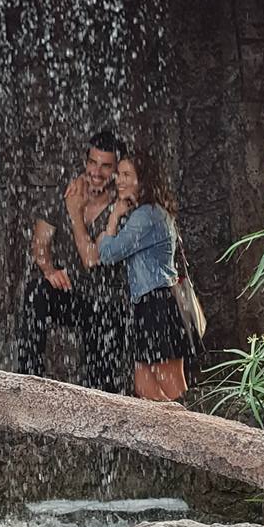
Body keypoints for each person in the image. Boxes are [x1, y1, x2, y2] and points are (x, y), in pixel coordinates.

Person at [66, 147, 195, 401]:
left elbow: (108, 254)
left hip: (158, 305)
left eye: (127, 175)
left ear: (142, 180)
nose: (119, 180)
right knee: (144, 386)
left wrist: (112, 219)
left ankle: (196, 425)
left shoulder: (146, 215)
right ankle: (170, 426)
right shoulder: (146, 212)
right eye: (119, 174)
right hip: (147, 305)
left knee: (173, 387)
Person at [17, 131, 129, 393]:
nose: (96, 172)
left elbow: (92, 260)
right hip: (72, 293)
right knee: (36, 292)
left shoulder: (122, 207)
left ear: (117, 170)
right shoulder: (67, 192)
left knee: (102, 373)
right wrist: (49, 270)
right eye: (92, 162)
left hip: (108, 299)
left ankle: (100, 397)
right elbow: (40, 243)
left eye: (105, 166)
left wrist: (74, 213)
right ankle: (27, 383)